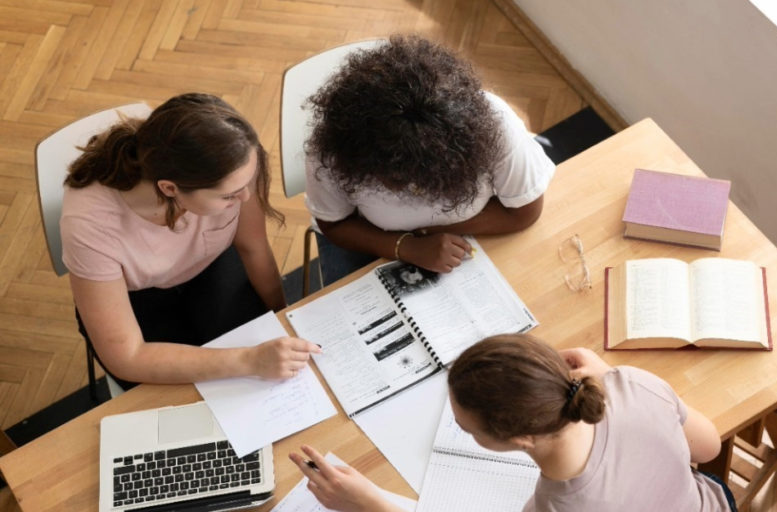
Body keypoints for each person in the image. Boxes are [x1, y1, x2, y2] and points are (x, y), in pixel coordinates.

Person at [289, 334, 737, 512]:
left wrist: (371, 504)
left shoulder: (558, 506)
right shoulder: (632, 383)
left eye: (468, 429)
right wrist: (610, 373)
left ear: (523, 439)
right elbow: (709, 448)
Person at [62, 93, 320, 390]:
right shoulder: (89, 225)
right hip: (137, 299)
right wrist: (249, 360)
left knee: (253, 380)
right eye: (228, 196)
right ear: (170, 188)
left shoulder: (238, 163)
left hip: (209, 267)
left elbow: (253, 247)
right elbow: (128, 356)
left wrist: (281, 318)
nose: (245, 199)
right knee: (187, 394)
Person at [304, 35, 555, 283]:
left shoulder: (495, 124)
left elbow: (524, 213)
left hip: (469, 240)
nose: (406, 188)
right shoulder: (333, 149)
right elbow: (334, 225)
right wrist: (408, 247)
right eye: (393, 176)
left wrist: (426, 234)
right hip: (369, 239)